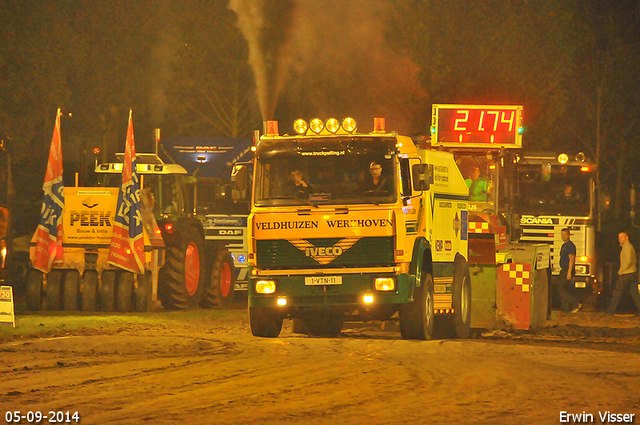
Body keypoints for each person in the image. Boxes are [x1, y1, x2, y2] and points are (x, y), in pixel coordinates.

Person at [606, 232, 640, 316]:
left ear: (626, 238)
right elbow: (634, 260)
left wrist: (621, 270)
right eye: (619, 237)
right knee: (634, 293)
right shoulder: (628, 247)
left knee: (617, 292)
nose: (620, 239)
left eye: (622, 237)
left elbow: (628, 261)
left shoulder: (627, 247)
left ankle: (610, 310)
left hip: (626, 273)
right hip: (632, 273)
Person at [558, 228, 581, 313]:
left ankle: (575, 303)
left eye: (565, 234)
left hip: (567, 269)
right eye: (562, 234)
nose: (563, 236)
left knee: (561, 289)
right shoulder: (564, 245)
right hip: (563, 269)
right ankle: (565, 309)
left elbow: (572, 259)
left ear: (569, 235)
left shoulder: (570, 246)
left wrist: (569, 272)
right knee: (564, 289)